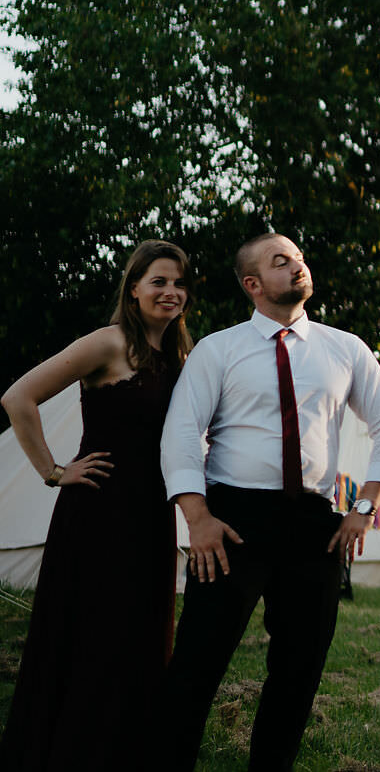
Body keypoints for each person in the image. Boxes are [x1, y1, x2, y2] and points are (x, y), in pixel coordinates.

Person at [160, 232, 380, 772]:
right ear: (252, 284)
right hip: (232, 522)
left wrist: (364, 507)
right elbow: (181, 433)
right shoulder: (217, 350)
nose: (297, 267)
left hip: (314, 525)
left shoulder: (345, 348)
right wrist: (197, 517)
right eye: (281, 262)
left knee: (299, 670)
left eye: (298, 258)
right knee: (197, 666)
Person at [0, 239, 192, 770]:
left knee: (140, 637)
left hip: (153, 514)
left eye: (179, 283)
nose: (171, 292)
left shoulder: (183, 358)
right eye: (159, 281)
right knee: (95, 636)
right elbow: (18, 397)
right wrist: (54, 471)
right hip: (98, 512)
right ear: (133, 289)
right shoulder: (107, 344)